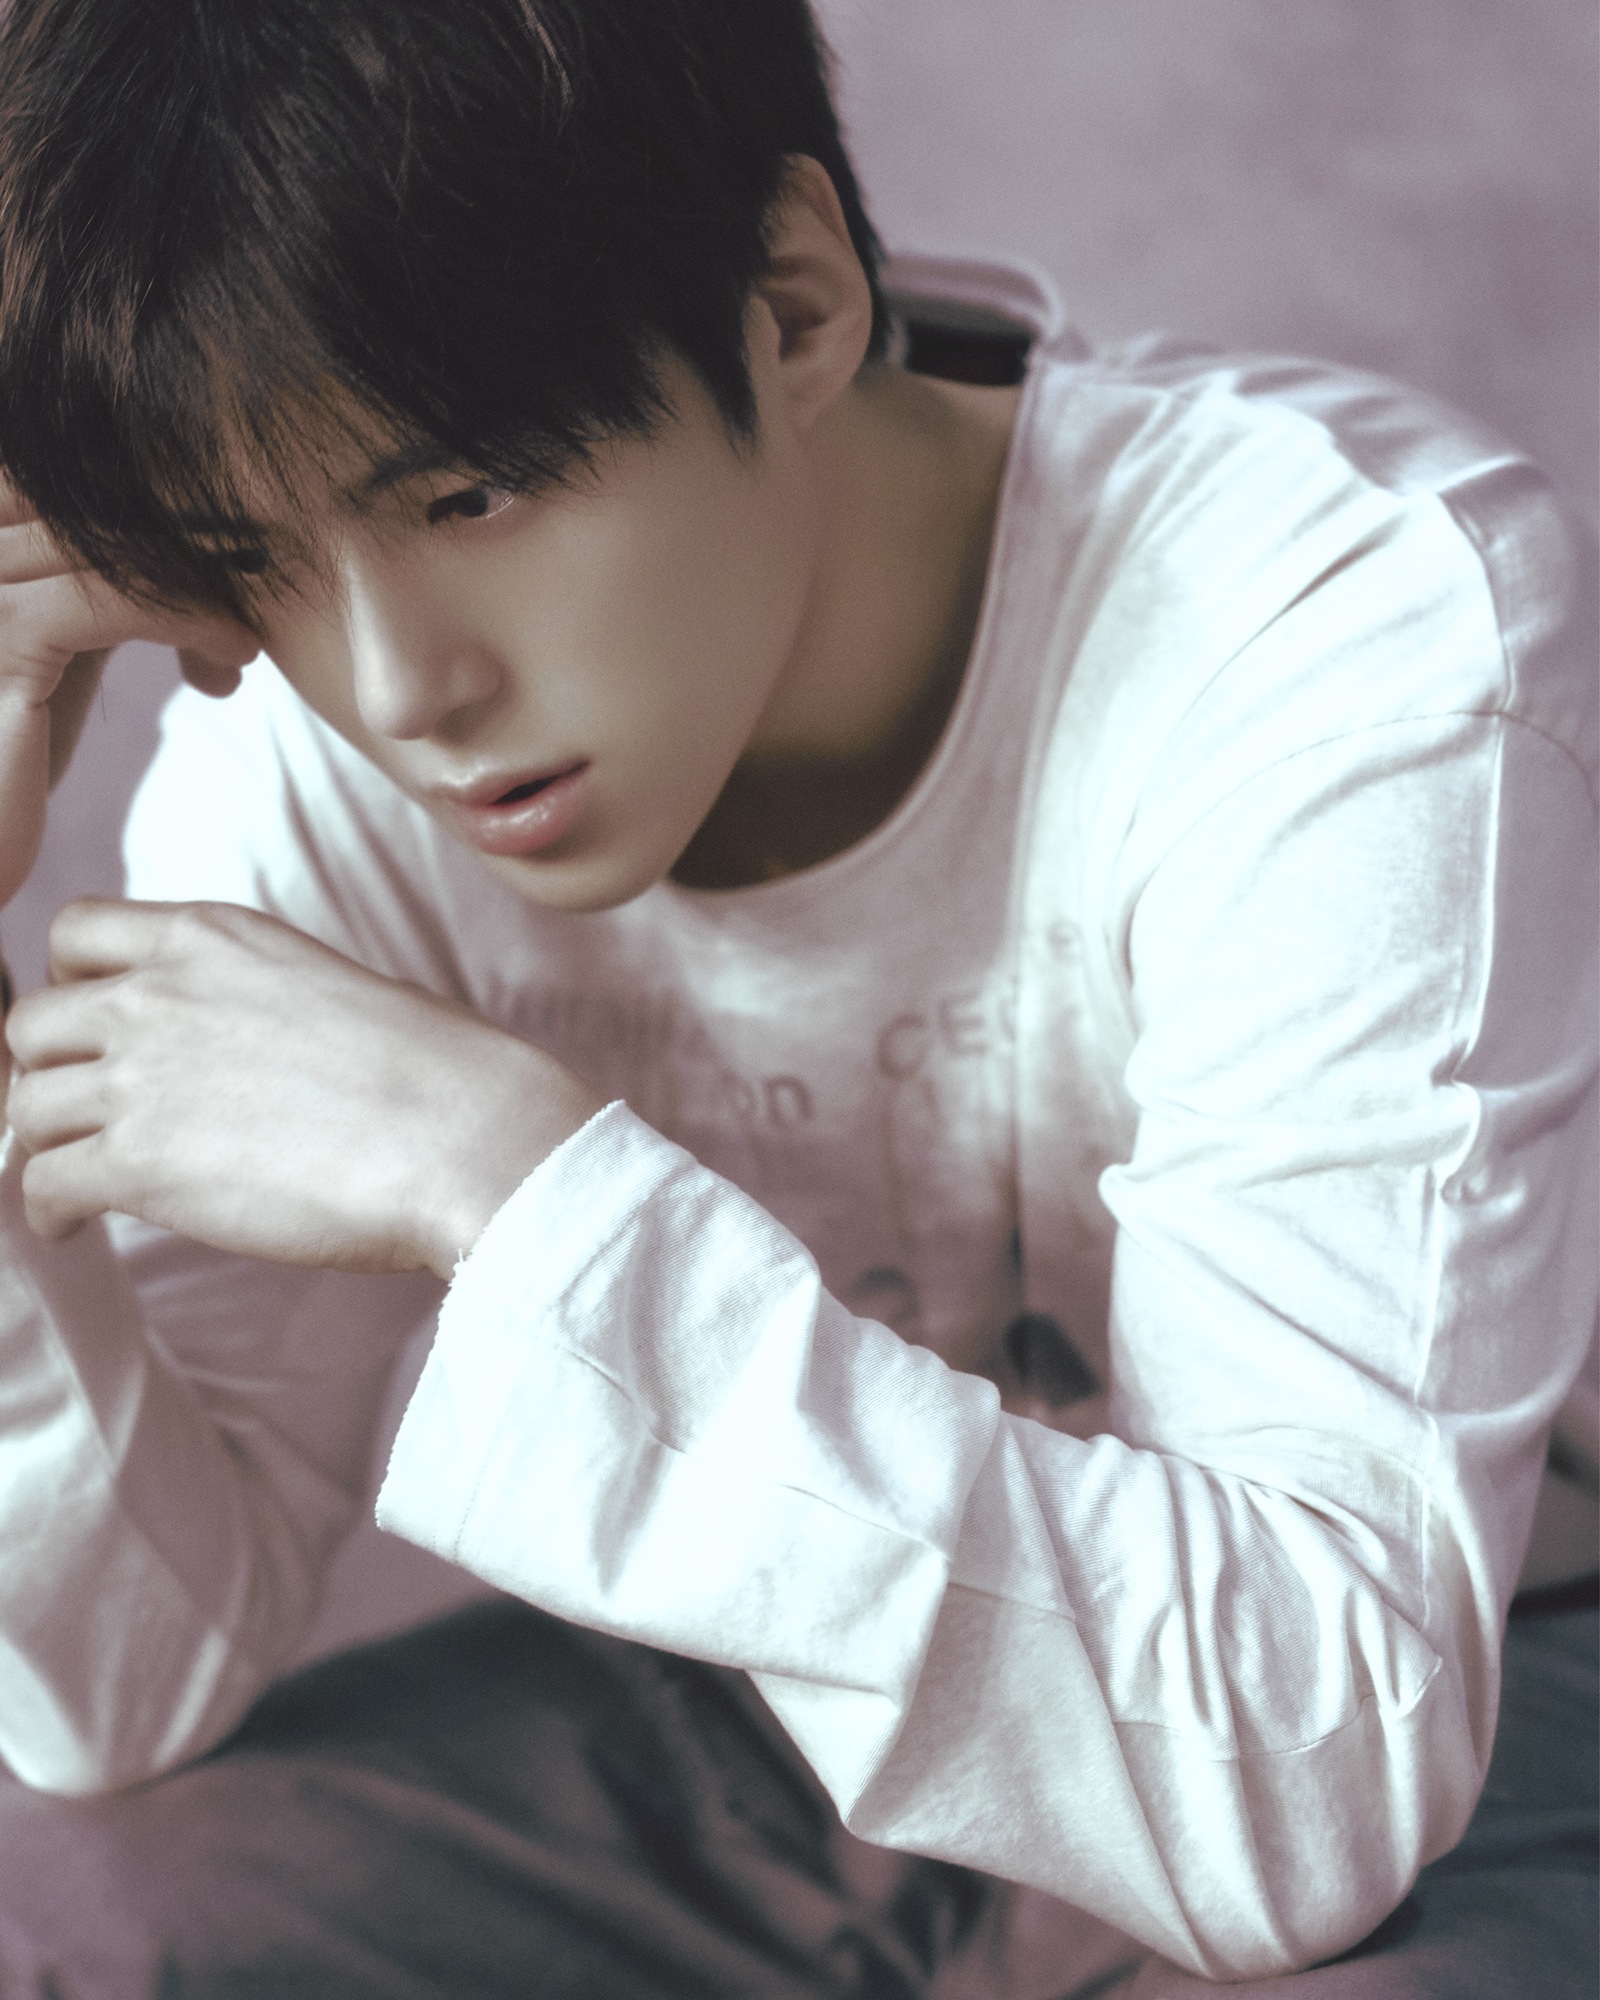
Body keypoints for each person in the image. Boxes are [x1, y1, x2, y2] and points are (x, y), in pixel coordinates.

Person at [0, 1, 1593, 1994]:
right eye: (256, 560)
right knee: (65, 1923)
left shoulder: (1331, 631)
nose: (401, 691)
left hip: (1456, 1690)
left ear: (792, 302)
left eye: (468, 495)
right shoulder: (307, 765)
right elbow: (113, 1694)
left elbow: (1307, 1794)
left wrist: (505, 1184)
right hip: (782, 1682)